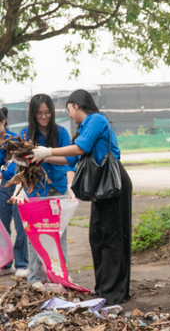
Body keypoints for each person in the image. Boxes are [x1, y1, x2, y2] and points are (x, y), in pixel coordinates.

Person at [32, 90, 132, 305]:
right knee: (97, 236)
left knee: (112, 237)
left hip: (113, 182)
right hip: (101, 186)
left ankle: (115, 293)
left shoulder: (96, 119)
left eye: (68, 109)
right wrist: (42, 158)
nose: (68, 114)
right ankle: (103, 287)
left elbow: (81, 148)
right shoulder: (84, 127)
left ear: (76, 105)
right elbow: (71, 159)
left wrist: (48, 151)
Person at [9, 95, 73, 285]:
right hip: (35, 190)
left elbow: (69, 159)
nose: (44, 117)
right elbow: (19, 164)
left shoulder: (61, 133)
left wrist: (46, 155)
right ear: (33, 114)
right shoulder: (25, 133)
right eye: (39, 113)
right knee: (34, 234)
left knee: (58, 233)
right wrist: (19, 187)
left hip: (58, 187)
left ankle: (60, 275)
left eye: (47, 113)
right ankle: (36, 277)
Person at [0, 106, 28, 277]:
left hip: (17, 186)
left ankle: (22, 264)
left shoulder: (14, 140)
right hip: (1, 188)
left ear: (3, 122)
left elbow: (17, 165)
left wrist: (2, 173)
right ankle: (6, 262)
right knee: (3, 226)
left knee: (20, 226)